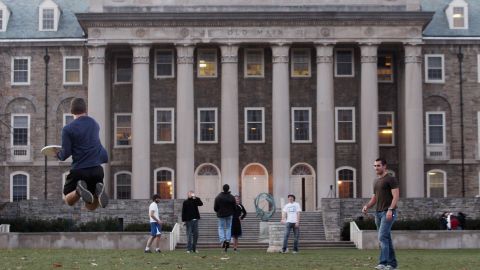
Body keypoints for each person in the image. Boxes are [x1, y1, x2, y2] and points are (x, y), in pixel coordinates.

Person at [56, 98, 108, 211]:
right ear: (85, 109)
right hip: (97, 169)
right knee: (92, 206)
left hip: (80, 170)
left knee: (68, 199)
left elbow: (65, 153)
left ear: (71, 111)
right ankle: (98, 191)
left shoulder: (68, 129)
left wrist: (57, 154)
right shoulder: (94, 124)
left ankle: (78, 191)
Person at [362, 158, 399, 270]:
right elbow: (375, 198)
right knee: (386, 238)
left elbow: (396, 196)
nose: (376, 168)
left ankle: (382, 263)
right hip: (378, 213)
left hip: (388, 213)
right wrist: (367, 206)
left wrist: (390, 209)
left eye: (378, 165)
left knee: (382, 236)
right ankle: (392, 264)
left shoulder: (391, 179)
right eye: (375, 166)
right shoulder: (376, 181)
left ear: (384, 166)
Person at [213, 184, 236, 252]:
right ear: (228, 189)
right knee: (228, 227)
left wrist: (218, 211)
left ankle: (223, 240)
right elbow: (234, 207)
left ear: (223, 189)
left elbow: (215, 208)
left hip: (221, 214)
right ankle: (228, 240)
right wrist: (232, 212)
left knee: (221, 227)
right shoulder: (232, 197)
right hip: (229, 214)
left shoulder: (218, 197)